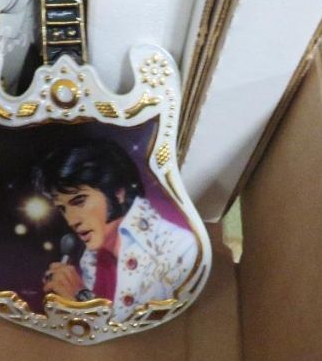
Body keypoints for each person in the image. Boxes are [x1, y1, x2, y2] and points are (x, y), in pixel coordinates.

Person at [32, 138, 198, 322]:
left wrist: (79, 296)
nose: (71, 221)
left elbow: (141, 329)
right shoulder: (90, 260)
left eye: (79, 201)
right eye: (62, 208)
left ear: (118, 193)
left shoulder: (179, 247)